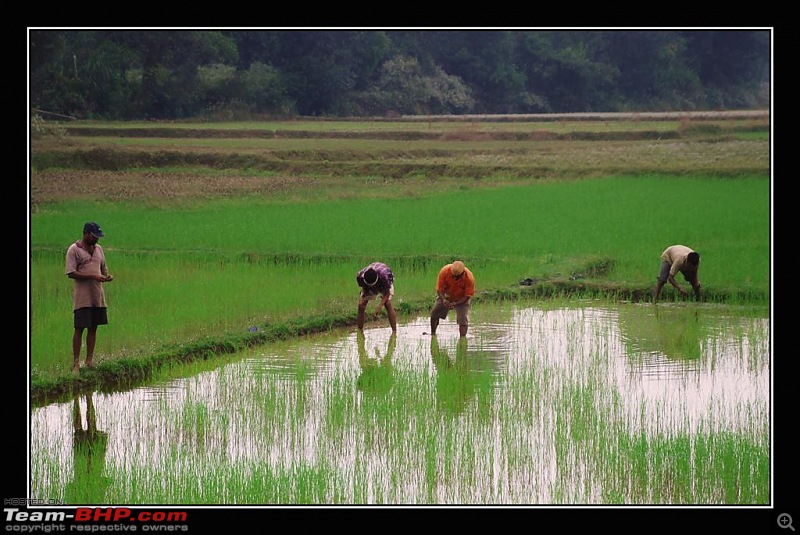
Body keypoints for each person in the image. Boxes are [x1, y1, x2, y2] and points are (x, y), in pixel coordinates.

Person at [65, 222, 113, 375]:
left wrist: (107, 276)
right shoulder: (74, 250)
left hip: (97, 296)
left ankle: (89, 361)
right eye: (94, 236)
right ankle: (76, 364)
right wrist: (92, 276)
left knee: (93, 329)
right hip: (83, 298)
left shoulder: (99, 249)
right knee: (79, 329)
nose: (96, 240)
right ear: (85, 233)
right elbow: (71, 273)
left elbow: (103, 269)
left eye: (98, 237)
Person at [430, 260, 475, 337]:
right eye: (453, 276)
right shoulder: (444, 271)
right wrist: (444, 300)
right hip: (446, 295)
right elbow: (439, 289)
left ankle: (462, 340)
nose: (455, 278)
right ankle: (433, 334)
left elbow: (467, 296)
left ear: (463, 273)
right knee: (434, 313)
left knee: (462, 319)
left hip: (462, 298)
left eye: (457, 277)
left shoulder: (469, 278)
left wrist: (456, 303)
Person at [356, 262, 397, 332]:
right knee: (361, 306)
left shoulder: (384, 276)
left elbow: (387, 293)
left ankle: (394, 332)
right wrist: (361, 299)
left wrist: (379, 306)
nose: (372, 288)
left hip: (385, 282)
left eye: (373, 285)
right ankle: (360, 332)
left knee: (387, 303)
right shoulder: (360, 277)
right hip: (369, 283)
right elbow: (364, 289)